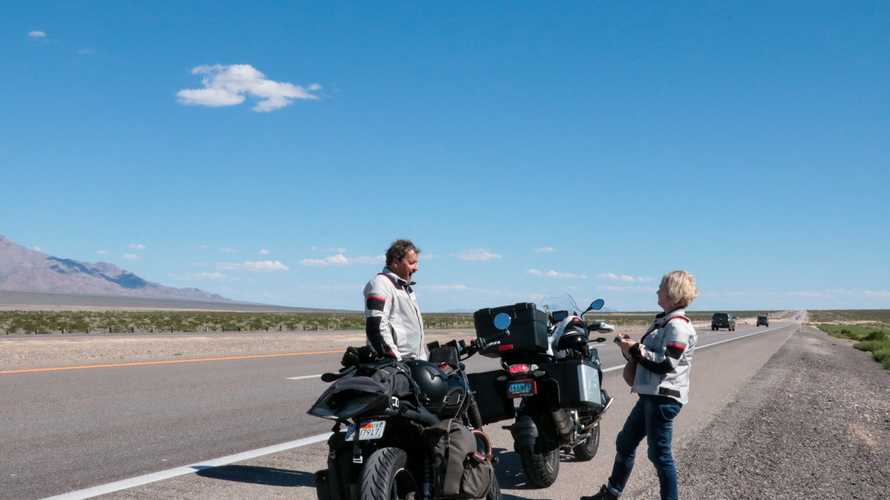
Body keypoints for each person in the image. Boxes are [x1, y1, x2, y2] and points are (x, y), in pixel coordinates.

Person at [582, 270, 699, 500]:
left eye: (661, 288)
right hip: (651, 396)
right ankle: (612, 493)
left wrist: (635, 348)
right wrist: (629, 348)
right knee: (625, 442)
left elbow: (666, 363)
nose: (657, 291)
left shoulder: (678, 326)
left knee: (660, 455)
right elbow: (649, 358)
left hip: (663, 398)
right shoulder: (663, 321)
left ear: (673, 293)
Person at [362, 239, 428, 361]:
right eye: (411, 263)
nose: (416, 268)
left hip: (415, 363)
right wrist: (394, 360)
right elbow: (376, 327)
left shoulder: (405, 287)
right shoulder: (380, 285)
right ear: (395, 262)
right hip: (399, 365)